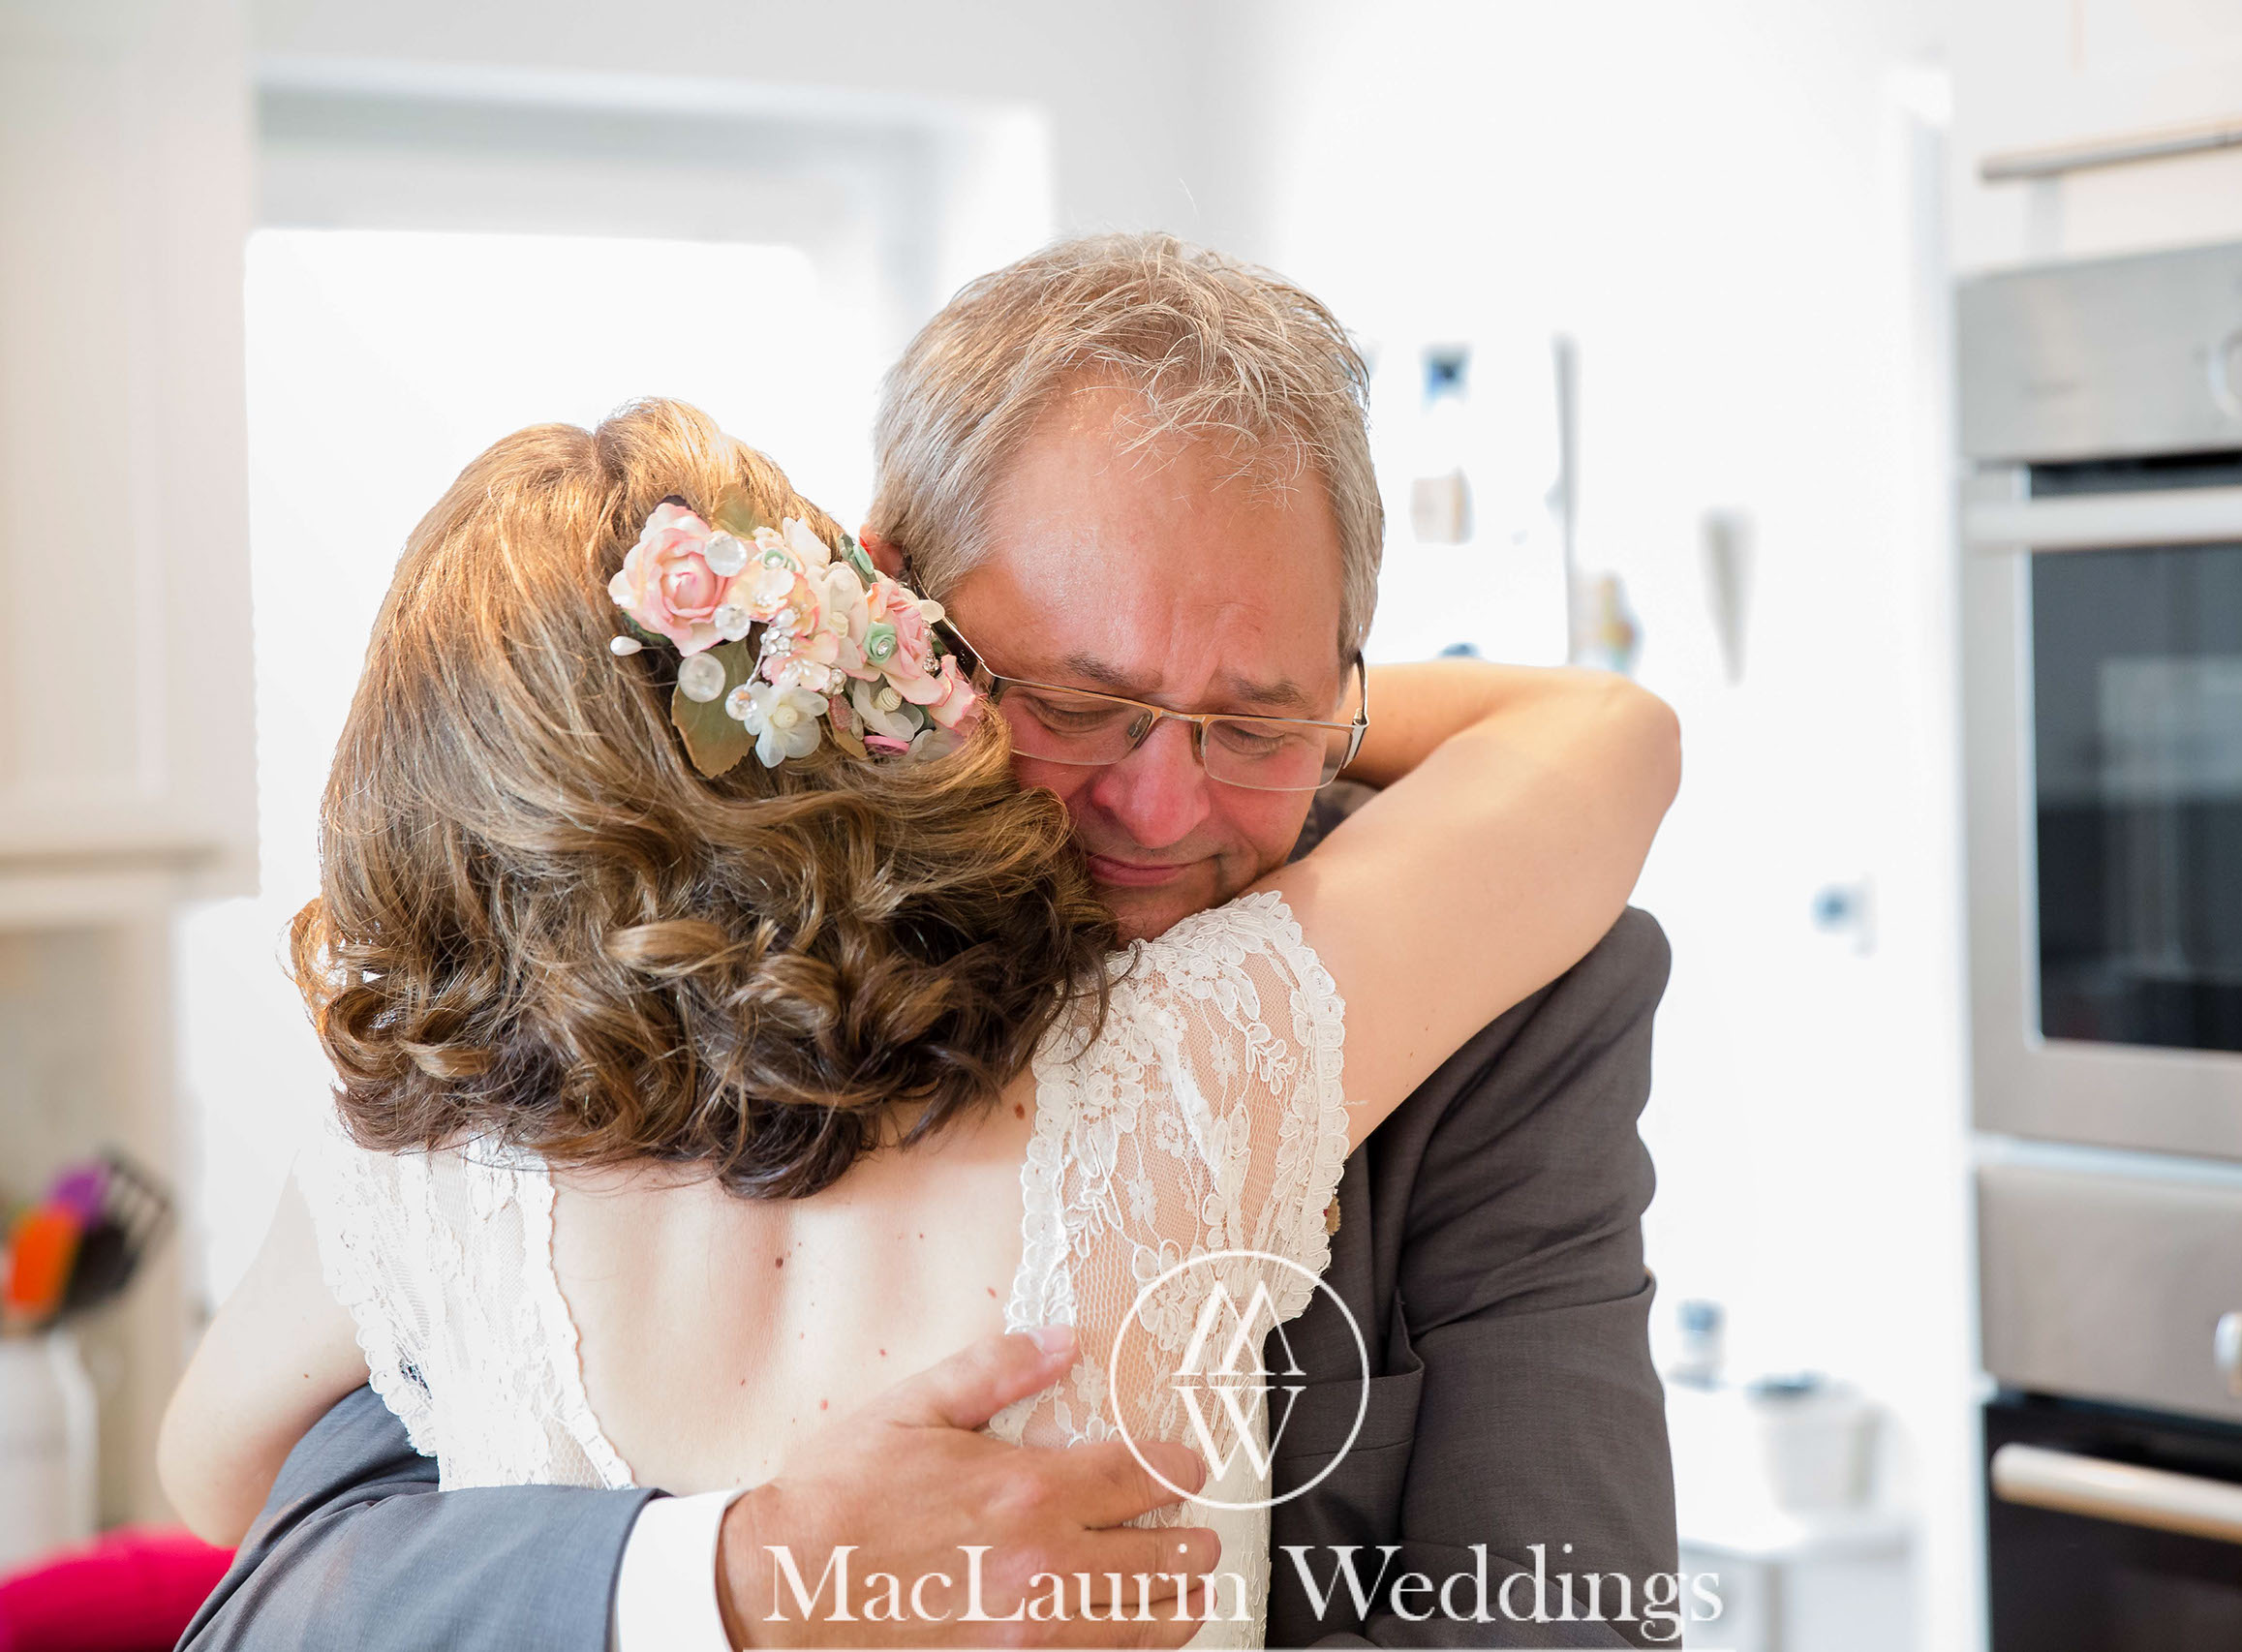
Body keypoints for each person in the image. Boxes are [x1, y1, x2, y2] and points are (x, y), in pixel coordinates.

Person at [169, 236, 1684, 1648]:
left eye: (1256, 721)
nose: (1160, 804)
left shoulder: (1494, 985)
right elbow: (292, 1576)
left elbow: (1565, 1606)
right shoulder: (564, 1080)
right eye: (1077, 703)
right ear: (897, 620)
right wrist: (730, 1574)